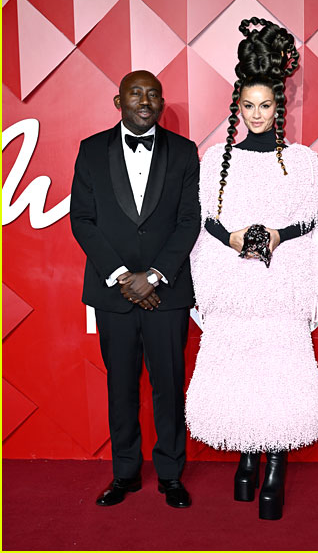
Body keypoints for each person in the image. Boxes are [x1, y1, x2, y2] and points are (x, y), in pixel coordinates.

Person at [185, 18, 318, 520]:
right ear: (239, 106)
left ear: (280, 106)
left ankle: (274, 466)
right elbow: (202, 222)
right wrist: (230, 238)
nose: (257, 115)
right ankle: (246, 458)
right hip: (233, 288)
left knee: (279, 376)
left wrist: (279, 236)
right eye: (249, 106)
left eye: (266, 106)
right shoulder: (215, 161)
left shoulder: (303, 162)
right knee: (240, 375)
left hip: (280, 288)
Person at [70, 70, 200, 509]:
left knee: (169, 384)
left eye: (153, 94)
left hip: (168, 291)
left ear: (161, 104)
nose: (145, 100)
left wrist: (156, 275)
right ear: (118, 101)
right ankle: (124, 473)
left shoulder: (184, 152)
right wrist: (124, 276)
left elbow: (188, 221)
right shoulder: (91, 151)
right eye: (135, 93)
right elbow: (82, 220)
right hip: (114, 293)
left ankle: (170, 474)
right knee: (121, 385)